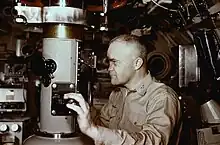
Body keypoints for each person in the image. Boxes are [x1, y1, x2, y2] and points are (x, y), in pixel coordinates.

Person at [64, 34, 182, 145]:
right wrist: (86, 111)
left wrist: (95, 131)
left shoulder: (162, 97)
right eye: (109, 62)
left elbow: (154, 141)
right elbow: (102, 125)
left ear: (137, 64)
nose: (109, 69)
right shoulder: (118, 94)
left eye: (115, 62)